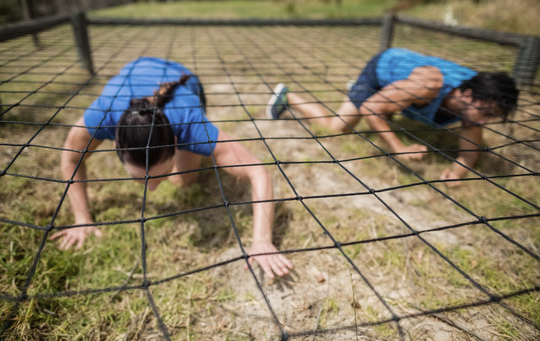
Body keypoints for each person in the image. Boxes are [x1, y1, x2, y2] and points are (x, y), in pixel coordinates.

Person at [52, 57, 293, 278]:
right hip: (138, 66)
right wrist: (82, 218)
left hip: (181, 77)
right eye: (141, 178)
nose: (153, 189)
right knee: (180, 179)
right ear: (115, 144)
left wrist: (262, 240)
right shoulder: (102, 114)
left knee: (184, 181)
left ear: (176, 142)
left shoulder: (191, 125)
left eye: (160, 175)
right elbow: (71, 158)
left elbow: (258, 171)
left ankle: (186, 161)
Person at [266, 47, 519, 186]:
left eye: (492, 116)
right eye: (485, 113)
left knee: (392, 103)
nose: (485, 121)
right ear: (465, 94)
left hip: (403, 85)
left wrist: (456, 173)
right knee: (337, 127)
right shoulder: (428, 85)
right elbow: (371, 110)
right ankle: (289, 96)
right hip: (382, 70)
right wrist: (399, 148)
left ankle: (387, 95)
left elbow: (469, 153)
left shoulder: (477, 101)